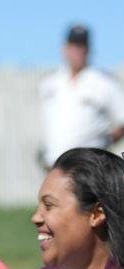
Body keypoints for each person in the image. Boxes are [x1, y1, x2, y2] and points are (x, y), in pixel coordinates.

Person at [39, 24, 124, 170]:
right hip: (54, 166)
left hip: (88, 168)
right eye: (74, 46)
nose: (78, 51)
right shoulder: (50, 82)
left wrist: (106, 142)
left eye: (82, 46)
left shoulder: (104, 82)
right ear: (65, 49)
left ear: (89, 50)